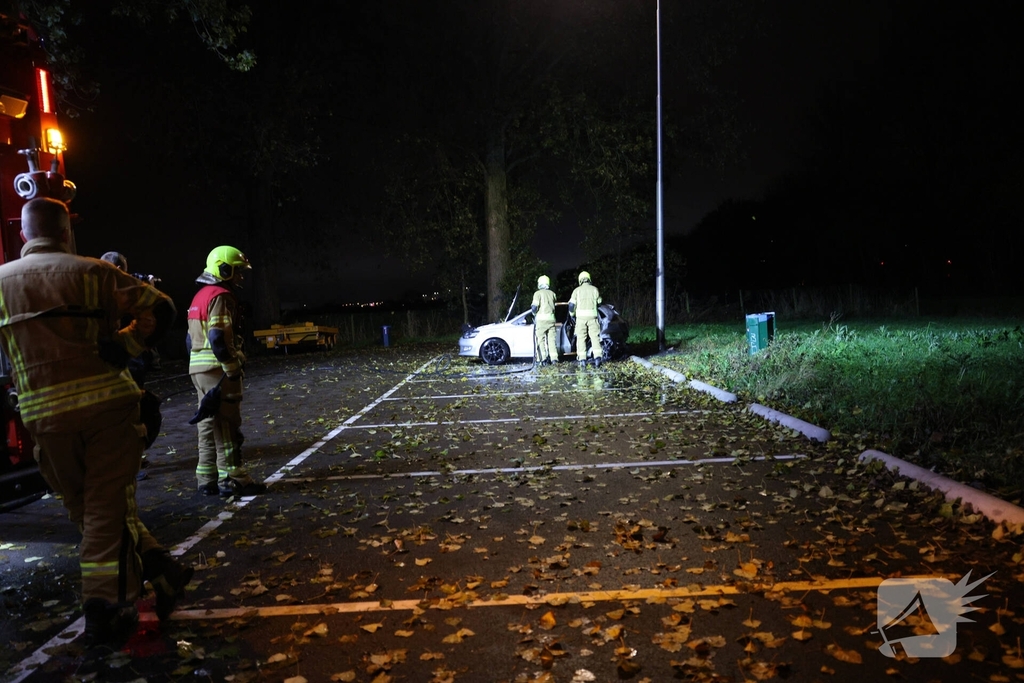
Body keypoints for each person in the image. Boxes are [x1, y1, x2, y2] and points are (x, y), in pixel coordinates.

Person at [0, 198, 193, 649]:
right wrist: (125, 346)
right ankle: (111, 604)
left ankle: (125, 590)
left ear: (24, 235)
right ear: (66, 233)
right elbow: (161, 308)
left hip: (44, 419)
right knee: (106, 510)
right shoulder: (94, 273)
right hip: (109, 409)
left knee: (87, 511)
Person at [187, 245, 267, 497]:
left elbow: (190, 340)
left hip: (199, 370)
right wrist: (232, 367)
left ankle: (206, 478)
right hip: (218, 371)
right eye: (237, 272)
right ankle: (234, 479)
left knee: (208, 425)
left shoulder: (200, 296)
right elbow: (218, 336)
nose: (240, 278)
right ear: (223, 269)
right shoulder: (222, 296)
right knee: (228, 425)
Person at [568, 270, 603, 367]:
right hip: (593, 318)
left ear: (580, 280)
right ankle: (598, 359)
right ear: (589, 279)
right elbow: (599, 302)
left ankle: (582, 360)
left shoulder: (576, 291)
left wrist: (572, 315)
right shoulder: (595, 289)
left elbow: (571, 306)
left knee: (581, 338)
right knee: (595, 337)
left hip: (581, 319)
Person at [531, 275, 558, 365]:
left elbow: (534, 307)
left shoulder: (537, 294)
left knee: (540, 340)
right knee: (551, 341)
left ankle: (543, 359)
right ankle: (554, 359)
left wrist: (534, 314)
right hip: (551, 321)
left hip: (541, 321)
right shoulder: (552, 294)